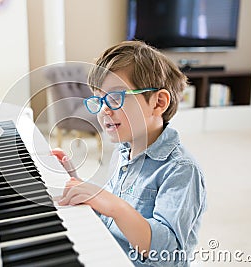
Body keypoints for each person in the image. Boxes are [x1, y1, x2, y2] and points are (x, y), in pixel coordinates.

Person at [52, 40, 206, 266]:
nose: (104, 109)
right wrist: (78, 183)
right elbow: (108, 214)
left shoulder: (181, 170)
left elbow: (169, 254)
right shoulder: (122, 152)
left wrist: (113, 205)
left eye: (115, 97)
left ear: (158, 102)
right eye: (98, 99)